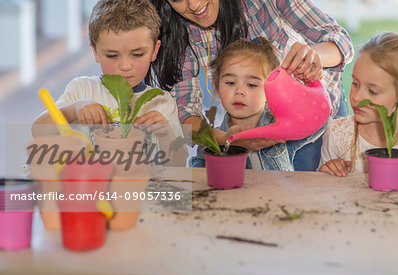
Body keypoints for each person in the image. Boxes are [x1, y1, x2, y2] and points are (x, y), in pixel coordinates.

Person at [148, 0, 354, 171]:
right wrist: (227, 140)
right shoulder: (178, 32)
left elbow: (340, 40)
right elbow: (185, 113)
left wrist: (314, 56)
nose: (194, 5)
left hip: (317, 115)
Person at [32, 0, 182, 142]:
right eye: (112, 55)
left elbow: (179, 161)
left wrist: (166, 134)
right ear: (95, 52)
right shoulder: (82, 90)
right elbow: (38, 132)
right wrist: (72, 111)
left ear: (154, 51)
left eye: (137, 54)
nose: (125, 66)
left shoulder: (162, 103)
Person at [318, 32, 398, 177]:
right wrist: (328, 171)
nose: (357, 97)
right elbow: (323, 190)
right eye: (355, 83)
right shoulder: (337, 133)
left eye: (372, 91)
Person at [192, 37, 318, 170]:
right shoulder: (211, 140)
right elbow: (197, 180)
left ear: (271, 92)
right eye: (230, 83)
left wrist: (307, 81)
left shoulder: (281, 129)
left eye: (251, 85)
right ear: (218, 88)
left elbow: (317, 123)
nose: (239, 91)